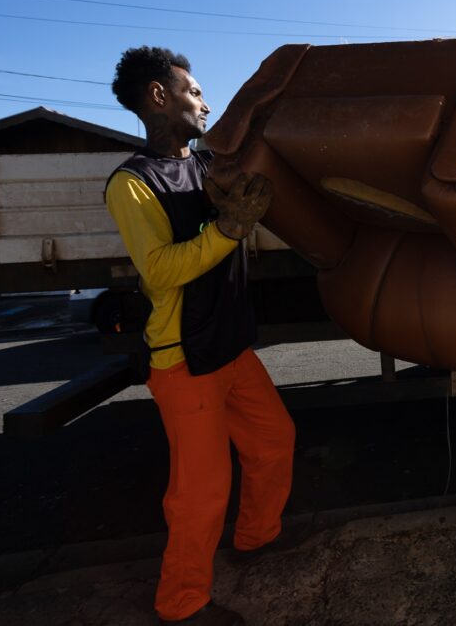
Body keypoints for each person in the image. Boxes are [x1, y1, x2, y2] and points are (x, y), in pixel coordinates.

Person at [105, 46, 296, 626]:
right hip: (182, 358)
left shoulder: (207, 166)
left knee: (273, 442)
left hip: (229, 346)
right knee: (201, 492)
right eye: (193, 91)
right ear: (158, 97)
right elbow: (159, 269)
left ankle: (255, 539)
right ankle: (182, 604)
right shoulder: (131, 183)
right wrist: (230, 229)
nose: (206, 101)